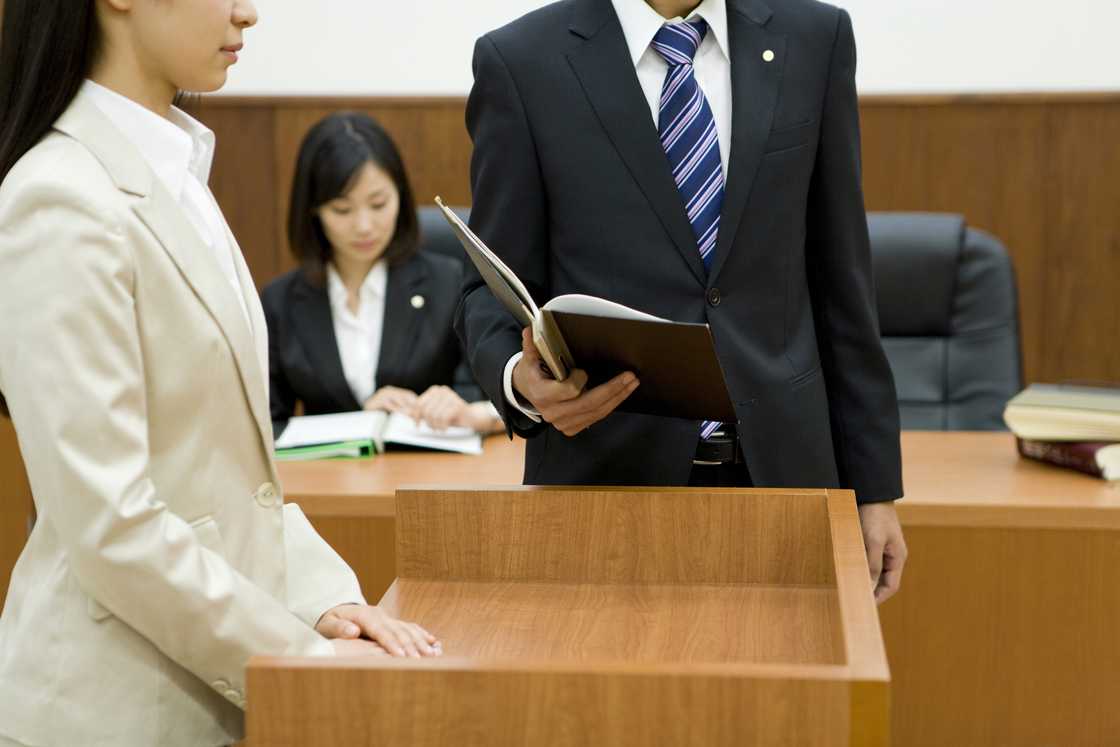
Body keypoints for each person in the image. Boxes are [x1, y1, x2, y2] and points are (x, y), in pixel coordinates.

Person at [0, 2, 438, 745]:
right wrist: (296, 653)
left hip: (197, 675)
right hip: (114, 706)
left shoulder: (175, 172)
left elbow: (227, 479)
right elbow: (111, 524)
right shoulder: (61, 196)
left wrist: (322, 595)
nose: (248, 11)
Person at [455, 0, 908, 602]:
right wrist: (521, 380)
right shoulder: (522, 60)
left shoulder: (814, 38)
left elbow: (842, 280)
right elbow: (487, 292)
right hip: (604, 491)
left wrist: (874, 488)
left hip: (788, 484)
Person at [262, 112, 503, 437]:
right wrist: (360, 422)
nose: (364, 226)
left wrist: (466, 411)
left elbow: (501, 397)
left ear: (400, 198)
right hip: (329, 483)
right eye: (342, 210)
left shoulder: (449, 280)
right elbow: (267, 428)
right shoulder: (280, 302)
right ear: (313, 210)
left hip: (429, 477)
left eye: (378, 204)